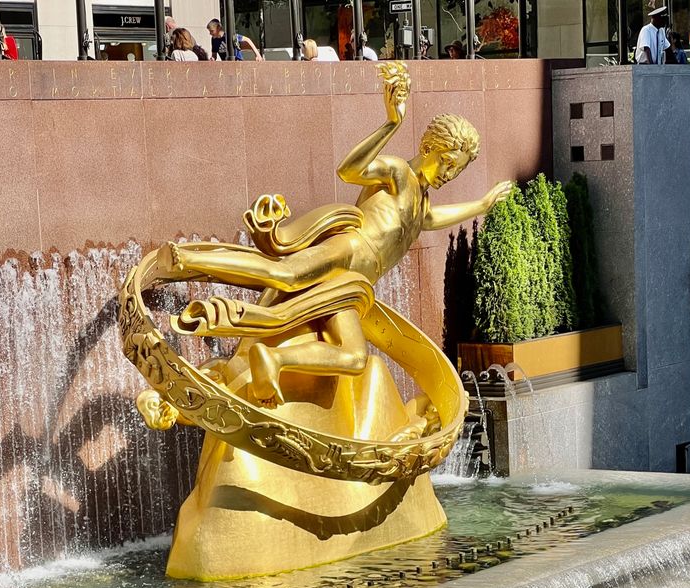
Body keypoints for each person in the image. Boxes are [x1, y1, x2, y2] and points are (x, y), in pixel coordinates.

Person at [158, 62, 512, 405]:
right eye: (448, 162)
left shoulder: (421, 201)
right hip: (350, 249)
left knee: (354, 357)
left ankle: (275, 360)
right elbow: (349, 170)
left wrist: (481, 205)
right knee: (283, 274)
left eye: (458, 170)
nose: (450, 174)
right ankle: (186, 258)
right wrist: (392, 122)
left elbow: (433, 219)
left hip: (355, 286)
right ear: (429, 148)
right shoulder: (399, 172)